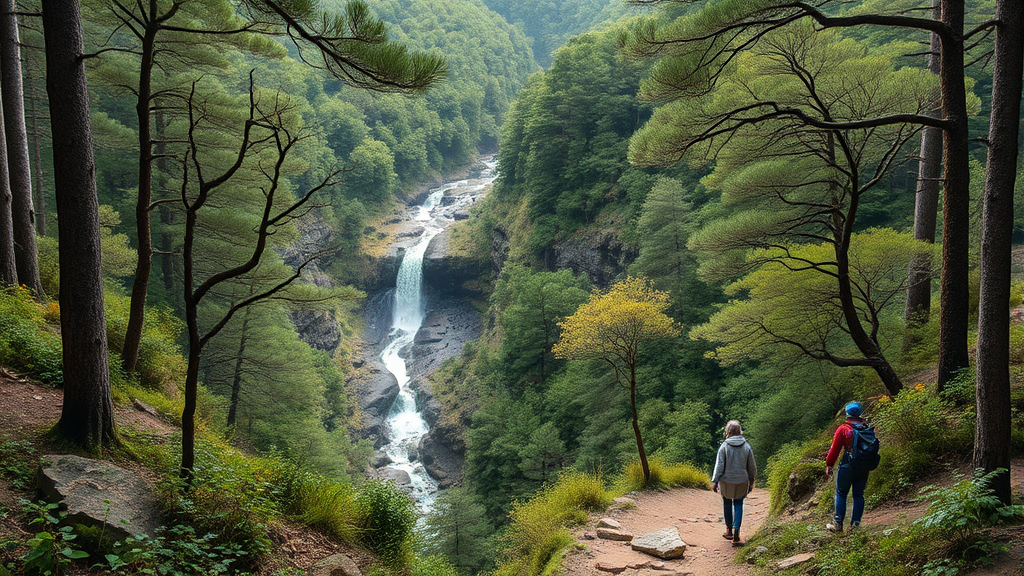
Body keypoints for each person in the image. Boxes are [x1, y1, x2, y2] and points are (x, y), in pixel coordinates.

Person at [825, 401, 870, 533]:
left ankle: (838, 524)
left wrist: (829, 464)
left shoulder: (844, 429)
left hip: (847, 465)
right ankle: (855, 526)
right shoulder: (866, 427)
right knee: (859, 495)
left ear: (847, 413)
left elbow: (834, 450)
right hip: (863, 466)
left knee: (841, 493)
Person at [711, 420, 757, 546]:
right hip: (742, 480)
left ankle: (729, 531)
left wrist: (715, 481)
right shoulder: (746, 446)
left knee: (727, 502)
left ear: (728, 431)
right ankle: (737, 532)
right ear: (739, 431)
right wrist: (751, 481)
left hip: (726, 480)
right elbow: (751, 466)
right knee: (738, 503)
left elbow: (719, 465)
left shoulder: (724, 446)